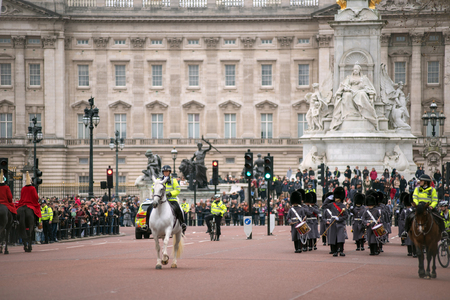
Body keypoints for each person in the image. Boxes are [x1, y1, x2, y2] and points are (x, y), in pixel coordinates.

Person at [401, 174, 447, 239]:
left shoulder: (432, 190)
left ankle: (443, 231)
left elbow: (435, 200)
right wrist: (418, 205)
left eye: (421, 181)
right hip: (419, 207)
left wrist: (431, 206)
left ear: (426, 182)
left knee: (439, 217)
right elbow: (415, 197)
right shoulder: (417, 189)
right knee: (409, 216)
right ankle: (405, 231)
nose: (420, 182)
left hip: (428, 207)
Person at [146, 165, 186, 234]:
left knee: (178, 209)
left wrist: (170, 193)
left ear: (169, 172)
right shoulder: (159, 180)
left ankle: (182, 224)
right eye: (164, 172)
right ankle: (147, 224)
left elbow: (178, 190)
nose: (166, 173)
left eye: (167, 172)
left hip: (171, 199)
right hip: (160, 199)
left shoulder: (173, 180)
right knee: (149, 208)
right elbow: (153, 187)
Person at [322, 187, 348, 256]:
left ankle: (341, 251)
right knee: (334, 238)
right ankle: (335, 251)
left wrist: (339, 219)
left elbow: (346, 216)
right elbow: (324, 205)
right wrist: (328, 199)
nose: (336, 200)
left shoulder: (343, 206)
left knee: (340, 238)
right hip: (333, 222)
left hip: (340, 223)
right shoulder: (332, 204)